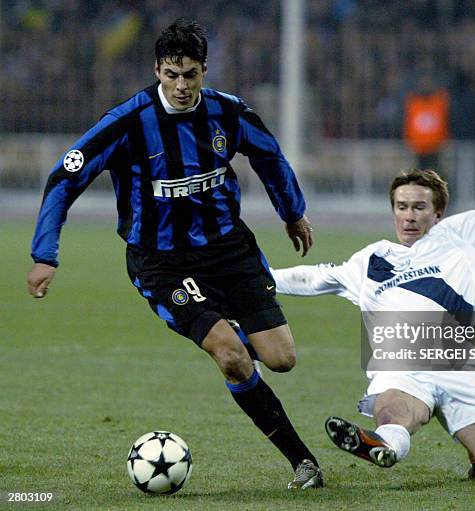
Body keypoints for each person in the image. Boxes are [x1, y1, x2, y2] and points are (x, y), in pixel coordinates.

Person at [27, 19, 323, 490]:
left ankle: (238, 337)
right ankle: (304, 463)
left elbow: (269, 156)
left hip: (229, 250)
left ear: (205, 70)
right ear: (157, 70)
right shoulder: (127, 122)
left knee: (282, 358)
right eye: (171, 74)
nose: (181, 85)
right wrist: (46, 253)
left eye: (190, 74)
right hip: (162, 262)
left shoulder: (228, 113)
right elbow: (65, 178)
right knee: (230, 356)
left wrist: (293, 212)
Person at [272, 113, 475, 482]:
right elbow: (313, 278)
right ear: (393, 210)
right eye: (401, 207)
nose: (409, 216)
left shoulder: (464, 236)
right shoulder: (373, 258)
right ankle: (384, 445)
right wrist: (255, 277)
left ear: (437, 213)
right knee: (396, 414)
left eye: (419, 207)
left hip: (458, 362)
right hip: (401, 363)